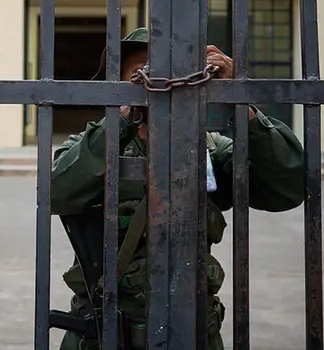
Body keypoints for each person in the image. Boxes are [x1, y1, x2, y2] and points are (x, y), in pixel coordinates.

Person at [50, 27, 306, 350]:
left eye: (166, 73)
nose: (155, 84)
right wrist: (122, 121)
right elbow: (55, 191)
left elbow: (289, 187)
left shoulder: (208, 150)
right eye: (139, 75)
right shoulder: (91, 146)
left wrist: (240, 104)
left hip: (192, 332)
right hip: (104, 335)